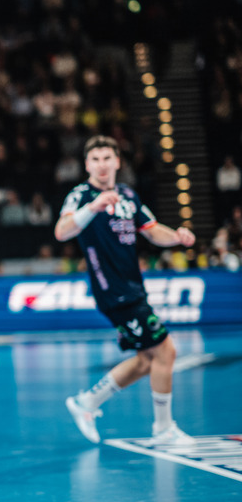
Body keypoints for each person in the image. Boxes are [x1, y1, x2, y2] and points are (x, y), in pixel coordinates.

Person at [56, 135, 196, 444]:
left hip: (133, 288)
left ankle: (86, 403)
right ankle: (163, 429)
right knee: (166, 350)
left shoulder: (128, 195)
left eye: (107, 158)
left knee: (148, 359)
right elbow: (62, 230)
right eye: (95, 159)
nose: (102, 165)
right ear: (86, 165)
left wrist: (177, 237)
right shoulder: (81, 195)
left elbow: (152, 229)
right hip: (112, 292)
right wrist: (94, 206)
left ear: (118, 162)